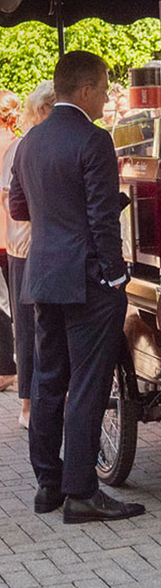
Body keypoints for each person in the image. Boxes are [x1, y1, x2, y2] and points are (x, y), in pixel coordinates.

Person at [9, 51, 145, 524]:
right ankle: (83, 491)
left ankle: (49, 483)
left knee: (49, 382)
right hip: (89, 280)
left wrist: (55, 215)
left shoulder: (30, 142)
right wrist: (115, 272)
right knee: (88, 384)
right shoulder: (94, 140)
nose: (108, 96)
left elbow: (19, 208)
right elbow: (102, 217)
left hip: (43, 275)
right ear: (84, 90)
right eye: (104, 87)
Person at [1, 80, 56, 428]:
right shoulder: (20, 147)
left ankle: (42, 402)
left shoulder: (45, 145)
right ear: (42, 110)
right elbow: (11, 200)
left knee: (44, 326)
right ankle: (27, 406)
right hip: (23, 246)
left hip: (44, 245)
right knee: (26, 325)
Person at [0, 89, 21, 393]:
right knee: (13, 304)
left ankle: (6, 368)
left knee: (1, 305)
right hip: (16, 235)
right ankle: (11, 366)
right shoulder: (18, 145)